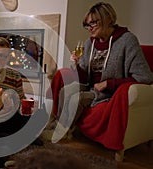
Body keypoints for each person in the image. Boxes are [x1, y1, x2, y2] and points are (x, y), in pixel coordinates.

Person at [49, 2, 153, 138]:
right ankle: (59, 127)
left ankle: (61, 131)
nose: (89, 28)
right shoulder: (89, 43)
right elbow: (84, 78)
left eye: (93, 23)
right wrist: (77, 65)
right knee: (65, 91)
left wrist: (109, 84)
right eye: (87, 25)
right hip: (90, 87)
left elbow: (145, 76)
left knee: (76, 99)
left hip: (109, 93)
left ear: (108, 19)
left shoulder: (127, 40)